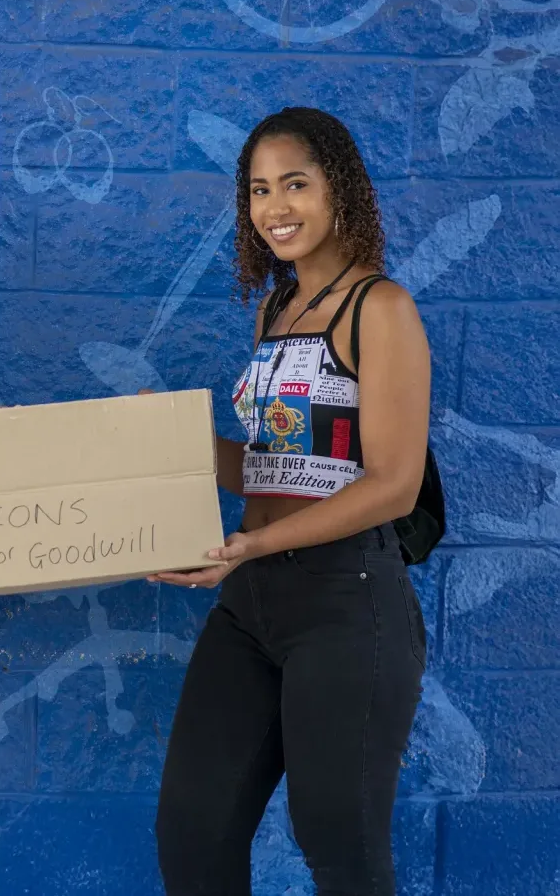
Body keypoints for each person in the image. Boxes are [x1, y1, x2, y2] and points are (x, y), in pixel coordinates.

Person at [151, 107, 430, 896]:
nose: (276, 207)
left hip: (347, 601)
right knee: (193, 830)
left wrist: (249, 547)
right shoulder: (275, 312)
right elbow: (273, 468)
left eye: (296, 184)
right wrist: (155, 438)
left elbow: (393, 482)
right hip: (252, 601)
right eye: (259, 190)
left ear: (338, 189)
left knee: (338, 844)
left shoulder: (380, 309)